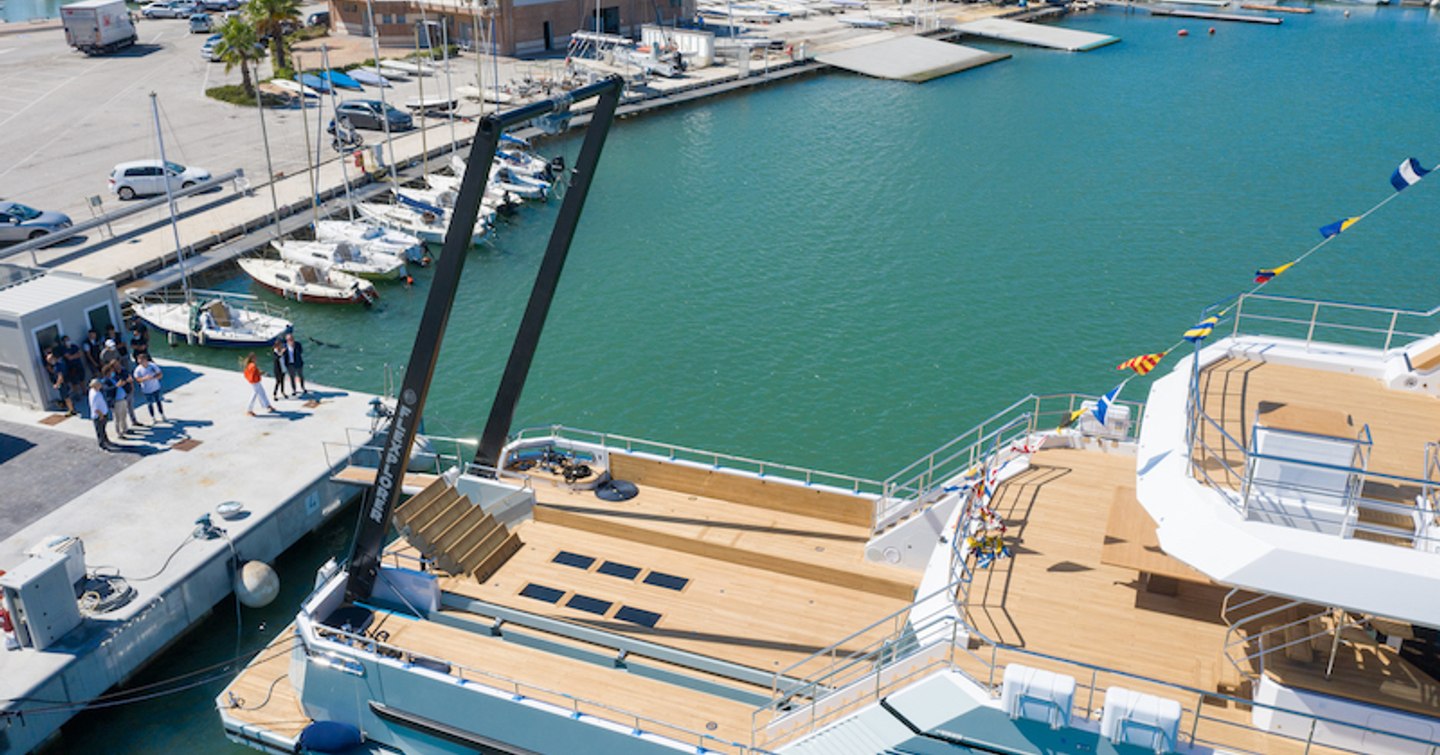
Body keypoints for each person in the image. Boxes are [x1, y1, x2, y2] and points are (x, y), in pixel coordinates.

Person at [132, 353, 167, 422]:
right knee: (149, 403)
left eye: (143, 360)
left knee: (158, 401)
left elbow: (160, 375)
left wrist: (153, 377)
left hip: (156, 387)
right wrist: (145, 378)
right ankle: (153, 417)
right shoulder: (138, 370)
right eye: (140, 360)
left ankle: (162, 414)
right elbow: (137, 379)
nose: (141, 362)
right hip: (146, 389)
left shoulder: (152, 366)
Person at [103, 361, 133, 438]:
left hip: (122, 399)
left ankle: (125, 429)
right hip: (116, 401)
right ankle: (119, 433)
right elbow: (107, 390)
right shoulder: (106, 381)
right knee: (117, 418)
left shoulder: (114, 378)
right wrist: (116, 386)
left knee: (124, 415)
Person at [46, 352, 75, 416]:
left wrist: (57, 384)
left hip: (63, 384)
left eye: (50, 360)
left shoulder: (57, 366)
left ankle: (71, 410)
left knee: (66, 397)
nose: (50, 362)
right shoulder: (61, 363)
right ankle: (71, 408)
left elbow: (60, 376)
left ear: (53, 358)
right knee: (67, 397)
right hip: (66, 382)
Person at [88, 379, 114, 451]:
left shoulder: (94, 391)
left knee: (103, 429)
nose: (101, 385)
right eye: (99, 384)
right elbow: (95, 408)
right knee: (100, 431)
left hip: (103, 413)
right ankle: (102, 444)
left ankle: (106, 440)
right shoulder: (95, 395)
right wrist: (101, 415)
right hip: (99, 416)